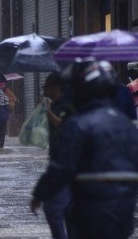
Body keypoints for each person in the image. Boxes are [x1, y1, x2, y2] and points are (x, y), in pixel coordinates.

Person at [30, 59, 138, 239]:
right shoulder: (126, 126)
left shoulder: (79, 125)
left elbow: (60, 167)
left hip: (89, 214)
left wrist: (40, 194)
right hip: (123, 216)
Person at [41, 74, 71, 239]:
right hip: (59, 162)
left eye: (46, 85)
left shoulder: (68, 103)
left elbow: (65, 124)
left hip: (67, 164)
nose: (44, 88)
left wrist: (48, 113)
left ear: (57, 88)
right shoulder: (55, 104)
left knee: (53, 207)